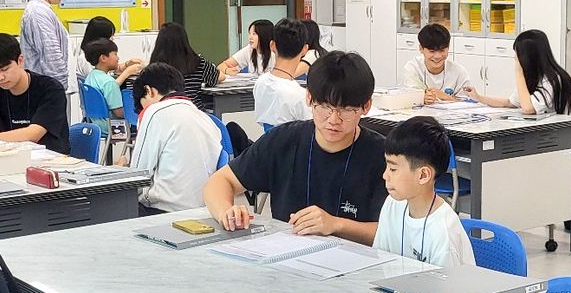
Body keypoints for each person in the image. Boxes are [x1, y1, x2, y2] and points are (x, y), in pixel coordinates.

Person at [203, 51, 388, 245]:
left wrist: (336, 225)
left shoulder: (383, 157)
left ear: (366, 106)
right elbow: (219, 182)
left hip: (354, 259)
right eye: (324, 107)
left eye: (346, 110)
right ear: (309, 98)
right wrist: (226, 212)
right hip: (287, 254)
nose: (334, 119)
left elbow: (395, 234)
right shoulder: (284, 140)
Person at [117, 63, 222, 215]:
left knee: (111, 205)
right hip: (205, 210)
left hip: (164, 210)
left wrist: (121, 171)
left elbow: (139, 175)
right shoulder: (206, 119)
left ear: (148, 90)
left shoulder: (154, 112)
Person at [372, 116, 476, 267]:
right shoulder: (392, 204)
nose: (385, 175)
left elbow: (446, 282)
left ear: (423, 175)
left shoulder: (443, 233)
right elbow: (379, 263)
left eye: (393, 169)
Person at [464, 30, 571, 117]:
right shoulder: (535, 75)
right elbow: (510, 103)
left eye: (518, 54)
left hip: (570, 136)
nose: (515, 58)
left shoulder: (552, 79)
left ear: (528, 56)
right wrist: (478, 98)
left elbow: (528, 109)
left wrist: (519, 72)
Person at [149, 23, 223, 111]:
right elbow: (219, 77)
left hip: (165, 112)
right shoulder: (198, 62)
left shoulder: (154, 68)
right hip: (194, 112)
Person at [254, 19, 312, 126]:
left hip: (267, 137)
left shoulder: (260, 83)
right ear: (305, 49)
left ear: (272, 45)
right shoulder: (301, 97)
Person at [20, 0, 69, 91]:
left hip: (47, 85)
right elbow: (51, 54)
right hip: (46, 88)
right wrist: (60, 87)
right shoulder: (38, 12)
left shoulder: (42, 9)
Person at [404, 24, 471, 104]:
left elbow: (467, 104)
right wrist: (422, 99)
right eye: (432, 51)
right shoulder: (413, 68)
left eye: (442, 50)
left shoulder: (459, 72)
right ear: (421, 48)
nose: (437, 56)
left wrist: (446, 97)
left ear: (448, 48)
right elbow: (411, 98)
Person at [83, 38, 140, 132]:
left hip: (97, 124)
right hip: (113, 127)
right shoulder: (109, 82)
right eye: (115, 54)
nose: (118, 58)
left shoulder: (92, 76)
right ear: (103, 58)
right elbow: (120, 113)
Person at [76, 16, 142, 79]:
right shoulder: (86, 60)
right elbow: (104, 84)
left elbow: (111, 70)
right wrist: (127, 72)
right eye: (110, 36)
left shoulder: (94, 56)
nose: (112, 39)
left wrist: (127, 64)